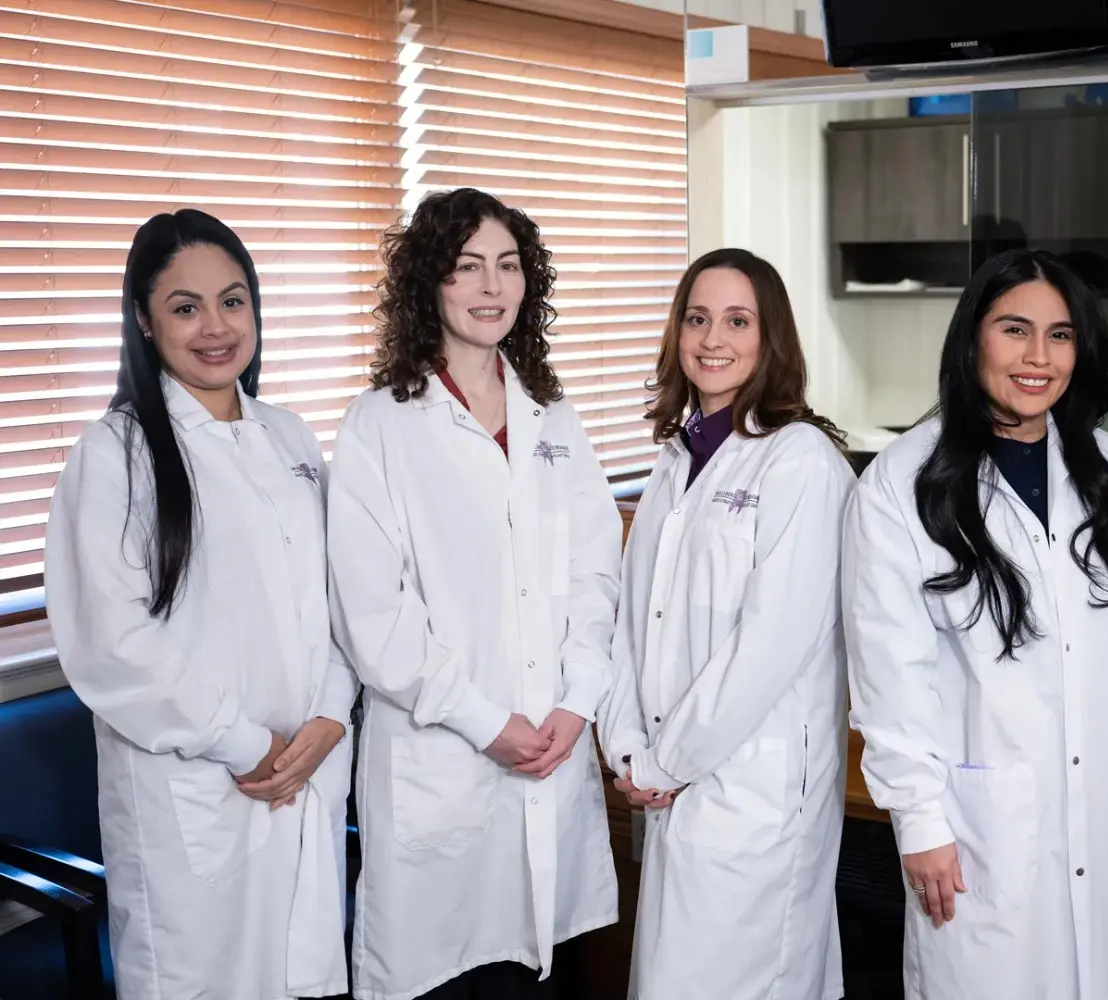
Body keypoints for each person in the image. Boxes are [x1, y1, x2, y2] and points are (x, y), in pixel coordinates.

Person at [843, 248, 1108, 1000]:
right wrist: (919, 823)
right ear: (972, 341)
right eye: (1014, 330)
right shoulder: (902, 482)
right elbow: (891, 677)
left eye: (1060, 335)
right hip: (978, 831)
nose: (1038, 357)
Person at [46, 209, 355, 999]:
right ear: (145, 323)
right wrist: (244, 743)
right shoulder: (113, 455)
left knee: (302, 975)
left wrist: (329, 716)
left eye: (234, 300)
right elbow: (114, 646)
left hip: (303, 772)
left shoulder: (290, 439)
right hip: (199, 793)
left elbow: (336, 599)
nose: (215, 327)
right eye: (185, 308)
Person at [326, 187, 621, 1000]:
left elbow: (597, 573)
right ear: (430, 284)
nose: (491, 287)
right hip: (442, 766)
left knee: (536, 968)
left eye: (507, 266)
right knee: (447, 976)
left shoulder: (555, 420)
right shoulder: (378, 425)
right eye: (466, 267)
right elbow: (373, 618)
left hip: (552, 752)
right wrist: (487, 723)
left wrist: (578, 702)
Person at [599, 248, 853, 1000]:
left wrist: (663, 762)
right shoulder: (677, 461)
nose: (714, 338)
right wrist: (624, 746)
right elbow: (631, 623)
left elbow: (769, 647)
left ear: (770, 337)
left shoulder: (801, 463)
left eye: (737, 321)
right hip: (670, 782)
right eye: (697, 318)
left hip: (752, 792)